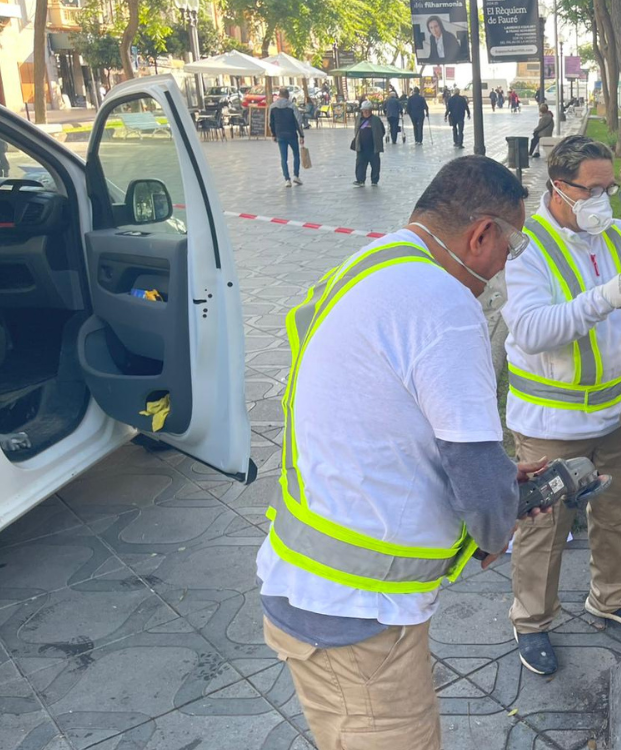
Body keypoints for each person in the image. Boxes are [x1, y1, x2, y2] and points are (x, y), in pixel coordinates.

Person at [258, 155, 545, 750]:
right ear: (482, 233)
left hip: (315, 585)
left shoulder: (376, 261)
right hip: (357, 615)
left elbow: (388, 415)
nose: (502, 268)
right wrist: (497, 525)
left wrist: (494, 481)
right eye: (510, 251)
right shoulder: (445, 303)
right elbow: (473, 464)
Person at [501, 136, 621, 676]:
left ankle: (613, 598)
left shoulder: (618, 235)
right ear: (558, 188)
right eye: (591, 189)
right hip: (551, 421)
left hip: (612, 413)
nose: (602, 198)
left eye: (610, 187)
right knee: (544, 529)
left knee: (615, 513)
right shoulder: (528, 248)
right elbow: (529, 331)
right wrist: (603, 298)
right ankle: (532, 621)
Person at [269, 87, 304, 188]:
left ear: (279, 95)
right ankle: (296, 176)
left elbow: (271, 122)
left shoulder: (272, 107)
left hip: (280, 135)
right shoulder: (292, 106)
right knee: (296, 155)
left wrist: (273, 134)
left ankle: (287, 179)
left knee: (283, 158)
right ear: (288, 96)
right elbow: (298, 121)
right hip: (292, 134)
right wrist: (301, 135)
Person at [350, 100, 385, 187]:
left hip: (373, 147)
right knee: (360, 164)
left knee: (375, 164)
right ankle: (360, 180)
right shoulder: (359, 118)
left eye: (367, 110)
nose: (365, 112)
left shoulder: (376, 120)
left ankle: (374, 180)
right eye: (364, 110)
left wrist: (378, 139)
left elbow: (382, 131)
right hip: (361, 146)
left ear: (370, 110)